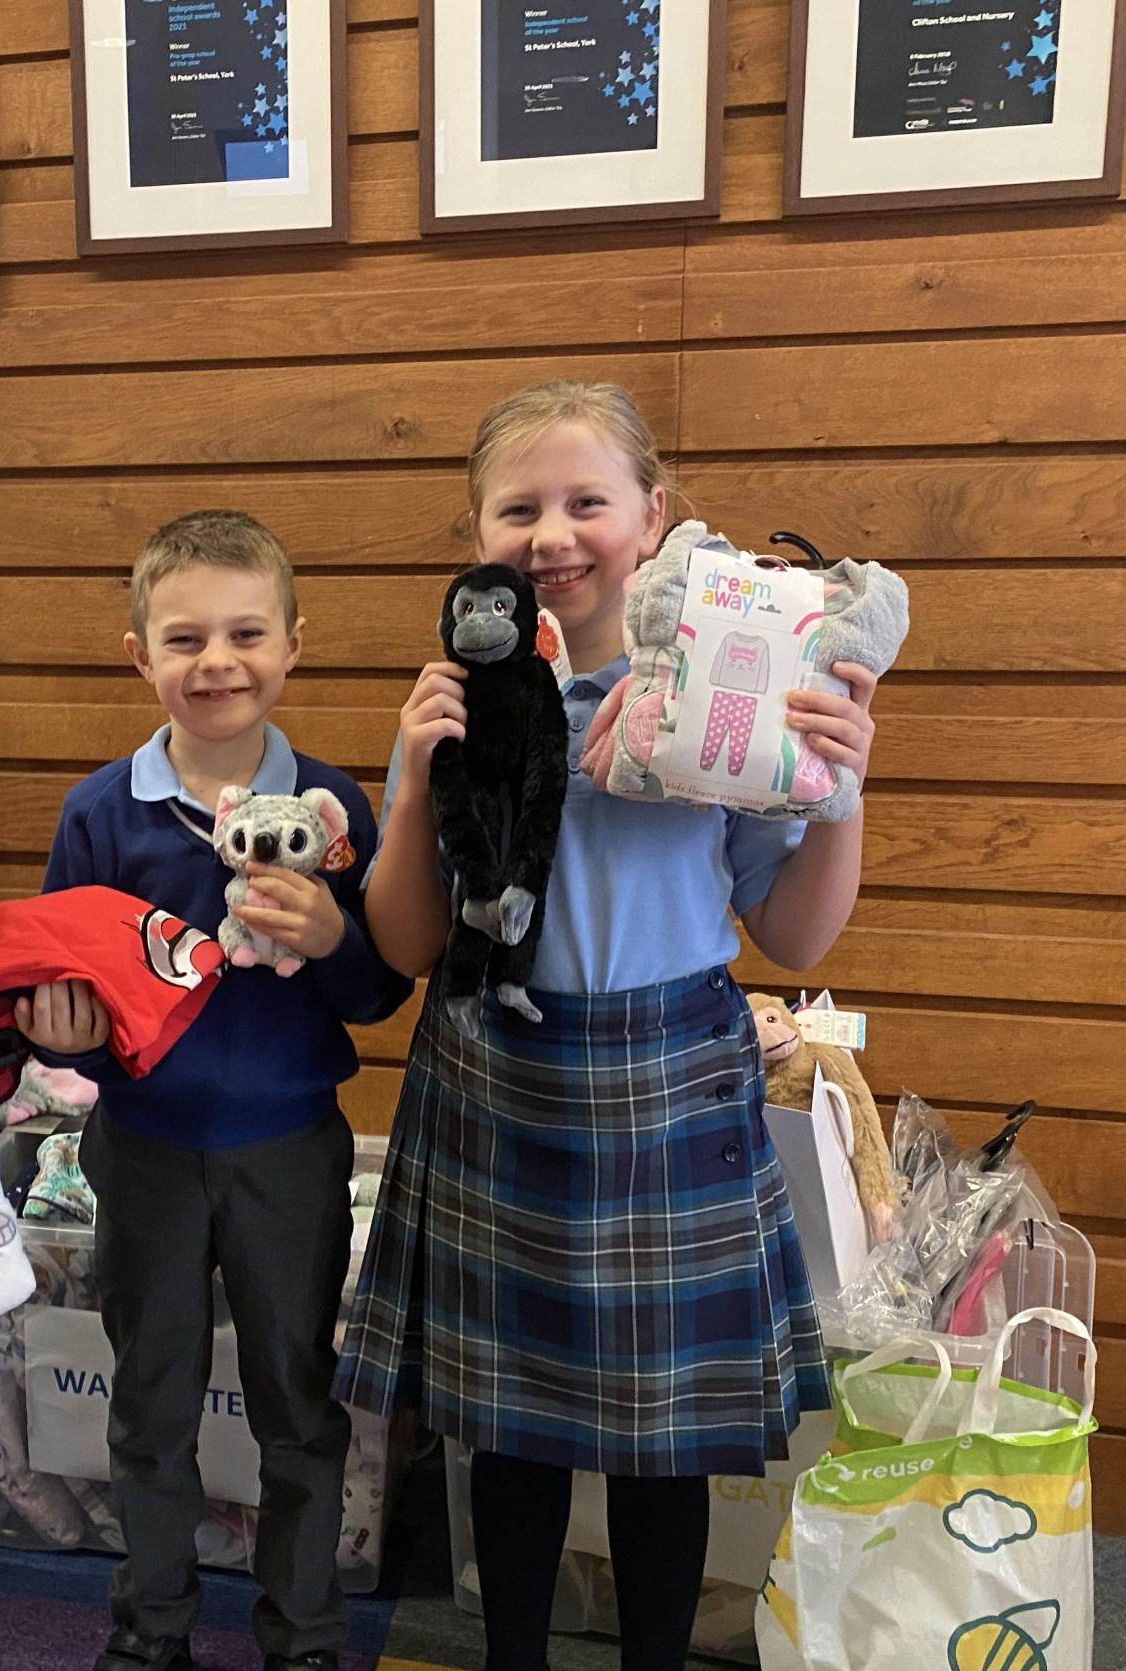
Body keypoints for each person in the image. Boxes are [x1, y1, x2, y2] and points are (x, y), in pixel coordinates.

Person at [336, 380, 879, 1671]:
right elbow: (404, 944)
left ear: (653, 516)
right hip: (493, 1074)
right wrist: (410, 780)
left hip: (667, 1084)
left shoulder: (725, 686)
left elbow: (795, 938)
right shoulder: (461, 697)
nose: (552, 533)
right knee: (506, 1430)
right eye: (517, 508)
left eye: (588, 500)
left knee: (662, 1443)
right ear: (476, 532)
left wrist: (842, 788)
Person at [20, 510, 411, 1671]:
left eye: (245, 633)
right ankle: (150, 1634)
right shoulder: (99, 813)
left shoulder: (332, 811)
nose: (216, 662)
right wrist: (66, 1041)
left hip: (288, 1153)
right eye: (183, 638)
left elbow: (374, 993)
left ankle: (305, 1638)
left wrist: (333, 935)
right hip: (142, 1150)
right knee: (149, 1403)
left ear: (293, 643)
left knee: (296, 1401)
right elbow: (72, 1000)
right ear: (138, 653)